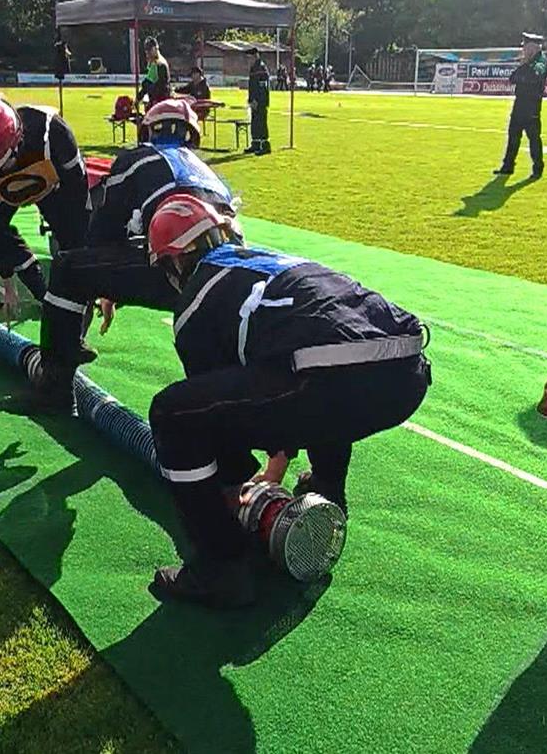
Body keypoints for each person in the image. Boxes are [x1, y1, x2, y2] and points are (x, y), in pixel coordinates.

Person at [144, 195, 432, 607]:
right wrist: (276, 466)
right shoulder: (268, 258)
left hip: (334, 381)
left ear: (174, 261)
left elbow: (221, 418)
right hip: (409, 373)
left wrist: (239, 483)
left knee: (173, 414)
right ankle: (328, 485)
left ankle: (220, 566)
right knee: (317, 370)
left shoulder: (195, 306)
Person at [18, 99, 236, 415]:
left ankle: (55, 387)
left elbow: (105, 230)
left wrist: (103, 286)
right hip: (227, 273)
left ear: (147, 129)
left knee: (68, 268)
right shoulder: (211, 174)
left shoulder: (135, 159)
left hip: (176, 270)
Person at [0, 95, 90, 387]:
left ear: (19, 138)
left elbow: (78, 198)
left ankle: (72, 339)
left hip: (53, 190)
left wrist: (85, 253)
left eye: (5, 163)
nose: (2, 171)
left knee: (75, 264)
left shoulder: (54, 136)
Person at [496, 32, 547, 179]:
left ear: (533, 47)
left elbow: (534, 77)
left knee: (534, 139)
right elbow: (513, 78)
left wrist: (525, 69)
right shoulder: (526, 63)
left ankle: (537, 168)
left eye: (526, 47)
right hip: (519, 105)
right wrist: (524, 69)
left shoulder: (541, 61)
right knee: (513, 137)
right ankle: (508, 166)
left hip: (532, 107)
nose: (523, 50)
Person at [136, 36, 171, 110]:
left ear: (155, 49)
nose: (148, 53)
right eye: (147, 51)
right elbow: (148, 81)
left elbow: (161, 84)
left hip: (160, 98)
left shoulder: (160, 64)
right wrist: (139, 97)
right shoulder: (153, 64)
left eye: (150, 50)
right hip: (155, 96)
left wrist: (148, 88)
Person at [247, 48, 271, 155]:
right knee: (255, 122)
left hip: (260, 101)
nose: (248, 60)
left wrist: (257, 100)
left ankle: (265, 145)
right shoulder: (253, 68)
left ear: (255, 56)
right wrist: (251, 100)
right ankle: (256, 143)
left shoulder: (260, 68)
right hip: (254, 101)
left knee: (261, 123)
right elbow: (252, 86)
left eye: (249, 58)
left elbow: (262, 87)